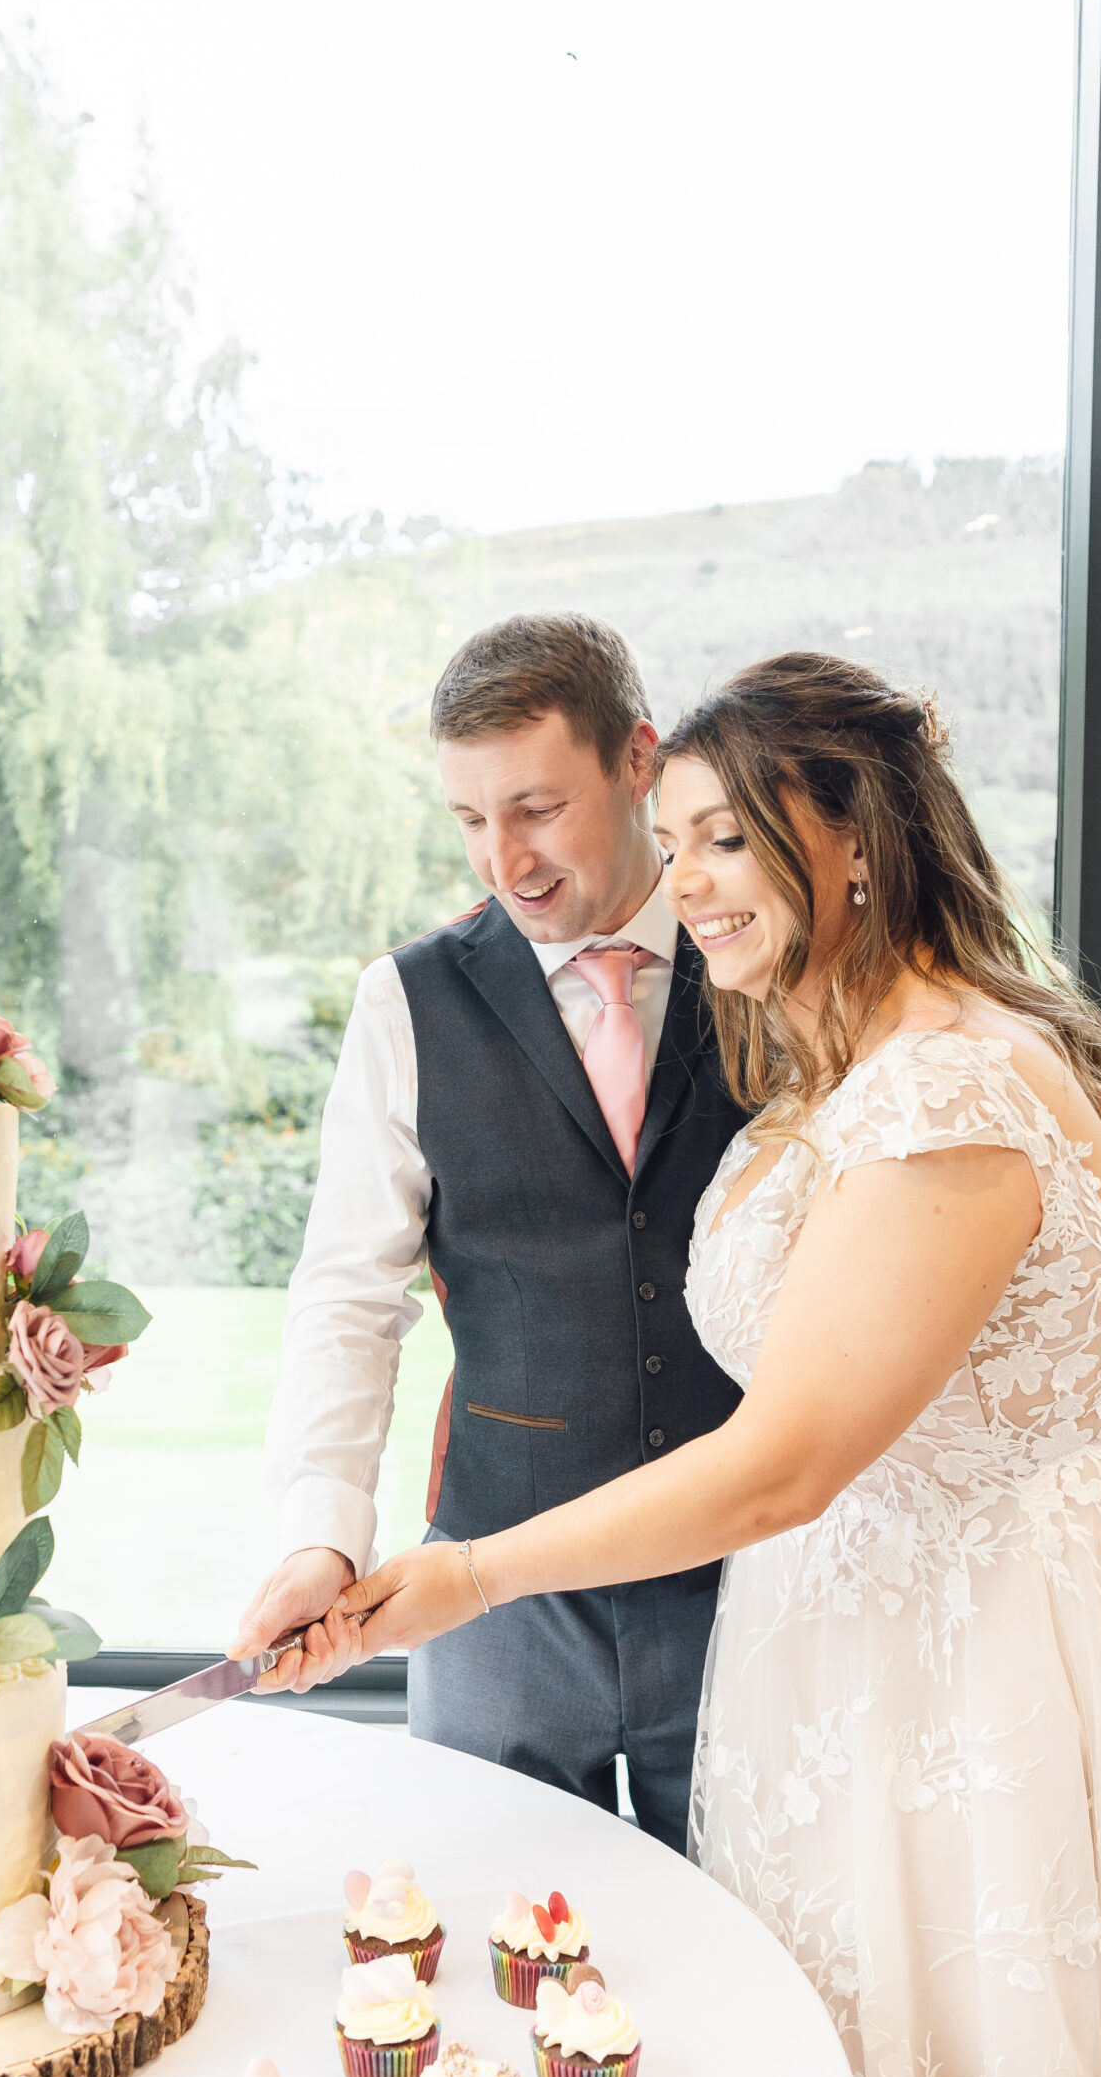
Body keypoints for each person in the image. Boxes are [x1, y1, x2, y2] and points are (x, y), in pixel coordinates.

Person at [310, 650, 1101, 2077]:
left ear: (844, 837)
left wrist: (463, 1574)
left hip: (964, 1684)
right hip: (842, 1669)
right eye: (674, 846)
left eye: (718, 842)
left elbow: (786, 1465)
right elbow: (348, 1291)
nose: (679, 886)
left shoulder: (947, 1093)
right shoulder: (840, 1054)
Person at [228, 610, 747, 1851]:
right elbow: (350, 1295)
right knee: (488, 1963)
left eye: (535, 807)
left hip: (750, 1582)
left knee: (756, 1956)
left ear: (638, 759)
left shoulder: (762, 965)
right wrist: (319, 1533)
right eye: (468, 819)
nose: (502, 860)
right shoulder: (404, 1001)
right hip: (495, 1594)